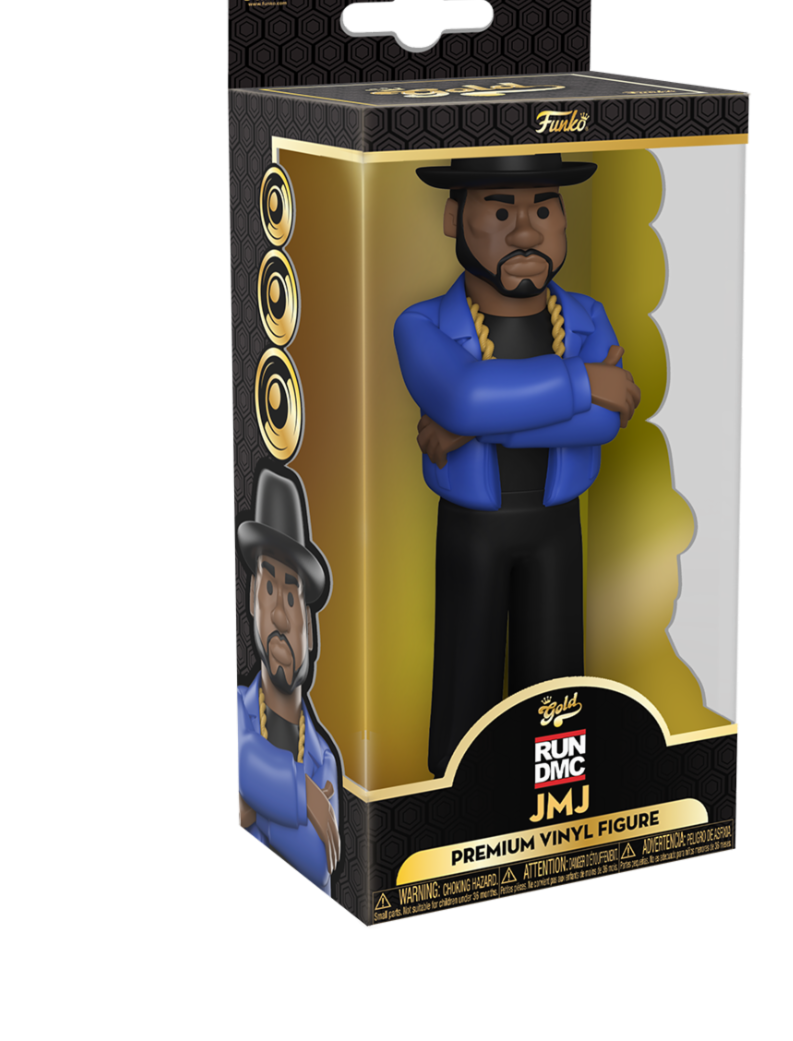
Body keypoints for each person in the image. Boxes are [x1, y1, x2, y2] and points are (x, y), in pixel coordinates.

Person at [394, 153, 640, 777]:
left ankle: (549, 795)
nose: (527, 231)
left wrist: (469, 426)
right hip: (471, 531)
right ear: (453, 219)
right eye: (501, 213)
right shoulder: (420, 324)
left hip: (558, 526)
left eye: (544, 210)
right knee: (466, 680)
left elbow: (602, 424)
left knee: (556, 689)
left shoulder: (585, 317)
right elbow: (463, 395)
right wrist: (586, 382)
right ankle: (455, 795)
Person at [236, 465, 341, 894]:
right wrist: (303, 796)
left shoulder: (324, 759)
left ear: (310, 631)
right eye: (269, 589)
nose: (280, 614)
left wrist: (253, 806)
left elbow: (318, 864)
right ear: (251, 599)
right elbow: (243, 758)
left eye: (292, 596)